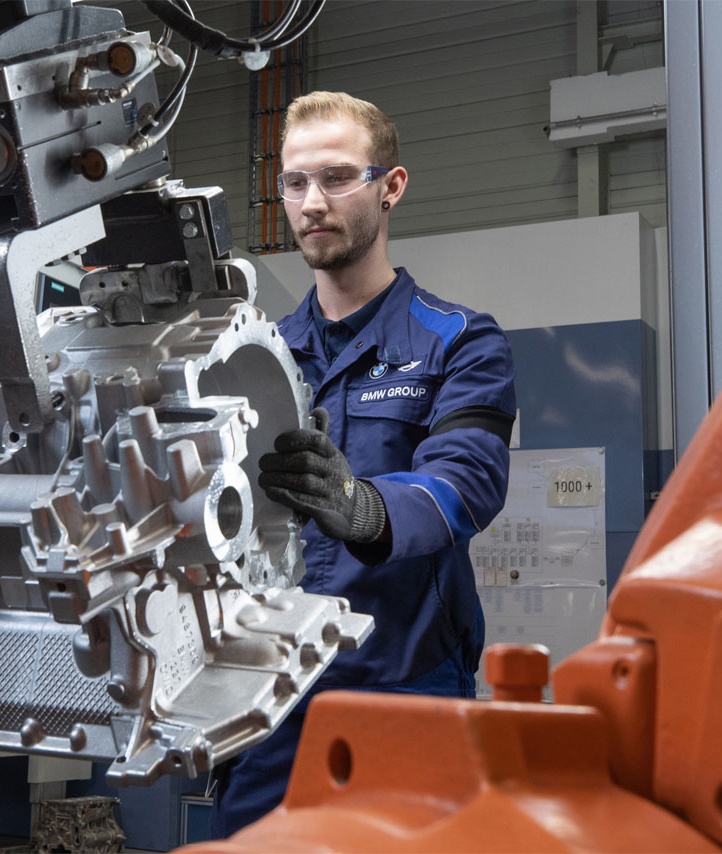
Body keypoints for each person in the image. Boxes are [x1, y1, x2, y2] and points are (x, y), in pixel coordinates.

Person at [211, 91, 517, 837]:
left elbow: (467, 480)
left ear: (391, 186)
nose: (312, 202)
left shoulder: (459, 343)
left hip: (405, 686)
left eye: (338, 177)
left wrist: (365, 508)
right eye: (295, 182)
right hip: (272, 693)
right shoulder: (255, 358)